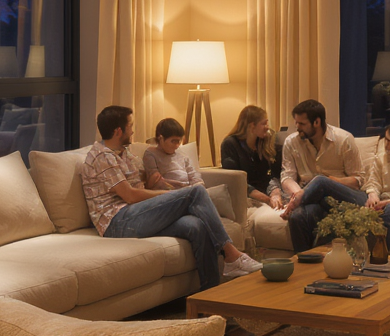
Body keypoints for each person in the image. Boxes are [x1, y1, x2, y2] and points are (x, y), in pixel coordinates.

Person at [80, 106, 261, 295]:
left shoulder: (122, 152)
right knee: (195, 192)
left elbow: (143, 180)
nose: (133, 130)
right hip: (116, 222)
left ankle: (210, 298)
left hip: (135, 212)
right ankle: (232, 254)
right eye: (130, 126)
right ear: (118, 131)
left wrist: (157, 178)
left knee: (196, 226)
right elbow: (130, 195)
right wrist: (169, 196)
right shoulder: (102, 156)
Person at [278, 99, 368, 253]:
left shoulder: (344, 139)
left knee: (320, 181)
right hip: (312, 198)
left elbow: (357, 180)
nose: (297, 128)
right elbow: (287, 177)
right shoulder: (291, 142)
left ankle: (299, 200)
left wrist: (331, 182)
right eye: (296, 123)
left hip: (342, 195)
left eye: (302, 124)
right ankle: (304, 264)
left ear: (317, 122)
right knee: (297, 217)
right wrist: (299, 193)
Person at [220, 105, 282, 208]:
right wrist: (266, 199)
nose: (267, 127)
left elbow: (272, 176)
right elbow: (235, 180)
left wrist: (275, 194)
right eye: (264, 124)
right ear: (252, 126)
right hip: (244, 196)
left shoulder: (264, 143)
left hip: (267, 192)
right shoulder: (230, 144)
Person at [142, 118, 203, 190]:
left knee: (218, 191)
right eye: (174, 141)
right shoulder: (151, 154)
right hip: (170, 193)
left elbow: (193, 175)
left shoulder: (182, 155)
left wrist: (198, 185)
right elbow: (155, 181)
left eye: (179, 141)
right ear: (161, 138)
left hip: (189, 190)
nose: (177, 145)